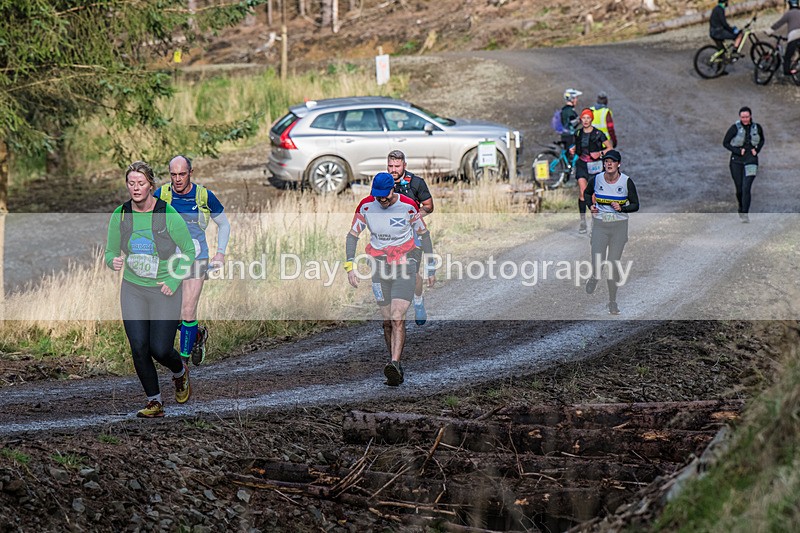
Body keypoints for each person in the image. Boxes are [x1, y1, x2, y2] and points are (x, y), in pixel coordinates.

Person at [105, 161, 196, 418]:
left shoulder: (167, 214)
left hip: (164, 289)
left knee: (160, 349)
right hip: (133, 289)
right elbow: (110, 251)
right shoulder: (121, 214)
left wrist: (174, 281)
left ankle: (180, 372)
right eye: (131, 183)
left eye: (141, 183)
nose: (135, 188)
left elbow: (189, 251)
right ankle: (154, 402)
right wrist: (113, 261)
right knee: (139, 346)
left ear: (151, 186)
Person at [345, 172, 435, 386]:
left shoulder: (408, 206)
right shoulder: (366, 206)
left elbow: (424, 235)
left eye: (384, 195)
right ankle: (395, 367)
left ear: (393, 189)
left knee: (397, 317)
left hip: (404, 264)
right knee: (386, 323)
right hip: (379, 266)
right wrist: (350, 266)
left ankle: (394, 362)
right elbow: (352, 236)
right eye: (378, 196)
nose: (381, 200)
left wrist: (430, 267)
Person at [155, 155, 230, 366]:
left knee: (187, 310)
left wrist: (220, 253)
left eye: (182, 174)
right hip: (170, 260)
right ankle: (197, 335)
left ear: (191, 173)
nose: (178, 179)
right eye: (173, 174)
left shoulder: (204, 196)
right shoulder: (161, 195)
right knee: (171, 314)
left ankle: (183, 365)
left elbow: (224, 224)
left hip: (197, 257)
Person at [583, 150, 639, 315]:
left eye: (612, 161)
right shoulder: (597, 179)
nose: (608, 164)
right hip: (600, 226)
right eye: (606, 161)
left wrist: (622, 208)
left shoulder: (626, 182)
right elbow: (587, 193)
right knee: (598, 261)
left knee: (613, 265)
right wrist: (591, 205)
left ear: (618, 164)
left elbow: (635, 205)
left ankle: (612, 302)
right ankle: (595, 276)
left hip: (619, 228)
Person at [386, 149, 434, 326]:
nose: (393, 170)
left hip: (412, 235)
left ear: (404, 165)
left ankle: (418, 300)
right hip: (388, 236)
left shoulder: (416, 183)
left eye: (397, 166)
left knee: (412, 273)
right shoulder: (383, 182)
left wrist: (412, 217)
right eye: (390, 166)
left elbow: (429, 206)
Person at [722, 107, 765, 222]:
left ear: (750, 116)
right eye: (743, 117)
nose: (745, 119)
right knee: (740, 189)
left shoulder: (757, 127)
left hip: (751, 161)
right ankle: (741, 208)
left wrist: (757, 150)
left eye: (747, 117)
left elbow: (762, 140)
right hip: (736, 161)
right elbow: (725, 143)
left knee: (746, 187)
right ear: (740, 117)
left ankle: (745, 213)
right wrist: (737, 151)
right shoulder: (734, 128)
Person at [573, 108, 612, 234]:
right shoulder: (578, 133)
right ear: (581, 119)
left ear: (591, 119)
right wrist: (573, 150)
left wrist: (600, 153)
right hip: (582, 164)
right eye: (583, 118)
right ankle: (583, 221)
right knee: (583, 192)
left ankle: (594, 222)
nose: (585, 120)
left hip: (595, 166)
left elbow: (610, 148)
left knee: (593, 196)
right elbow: (578, 146)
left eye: (588, 118)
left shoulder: (598, 134)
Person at [769, 0, 800, 77]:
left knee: (787, 56)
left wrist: (769, 30)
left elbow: (779, 23)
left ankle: (787, 72)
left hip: (794, 36)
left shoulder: (789, 14)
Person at [709, 0, 744, 68]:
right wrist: (732, 30)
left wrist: (730, 29)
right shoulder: (720, 10)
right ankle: (734, 52)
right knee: (739, 35)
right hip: (718, 33)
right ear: (725, 2)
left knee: (721, 51)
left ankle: (720, 70)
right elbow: (724, 23)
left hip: (713, 32)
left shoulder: (716, 8)